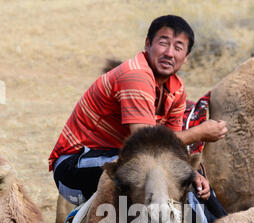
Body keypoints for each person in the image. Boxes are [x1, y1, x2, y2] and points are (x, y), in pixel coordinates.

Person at [49, 15, 227, 210]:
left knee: (189, 183)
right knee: (147, 171)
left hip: (125, 155)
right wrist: (200, 133)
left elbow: (171, 145)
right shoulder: (136, 76)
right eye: (163, 43)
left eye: (178, 47)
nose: (169, 53)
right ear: (148, 44)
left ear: (185, 58)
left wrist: (192, 173)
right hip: (74, 165)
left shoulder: (176, 88)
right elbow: (147, 143)